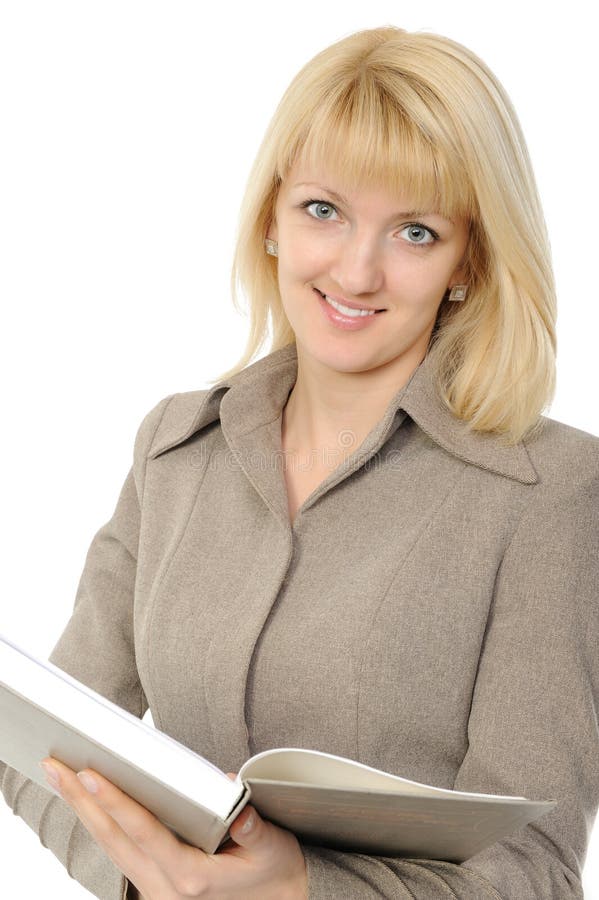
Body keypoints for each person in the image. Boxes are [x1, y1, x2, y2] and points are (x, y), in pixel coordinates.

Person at [1, 24, 598, 900]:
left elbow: (536, 872)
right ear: (273, 217)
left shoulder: (551, 496)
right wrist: (152, 879)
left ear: (467, 259)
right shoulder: (175, 452)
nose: (355, 272)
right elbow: (35, 750)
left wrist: (298, 891)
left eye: (415, 232)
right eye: (324, 210)